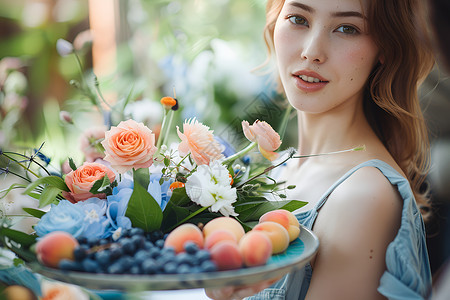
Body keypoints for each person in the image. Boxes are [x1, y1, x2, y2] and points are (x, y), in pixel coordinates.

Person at [205, 0, 435, 299]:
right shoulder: (284, 166)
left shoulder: (363, 198)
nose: (312, 51)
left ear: (385, 49)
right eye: (299, 19)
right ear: (276, 21)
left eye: (347, 28)